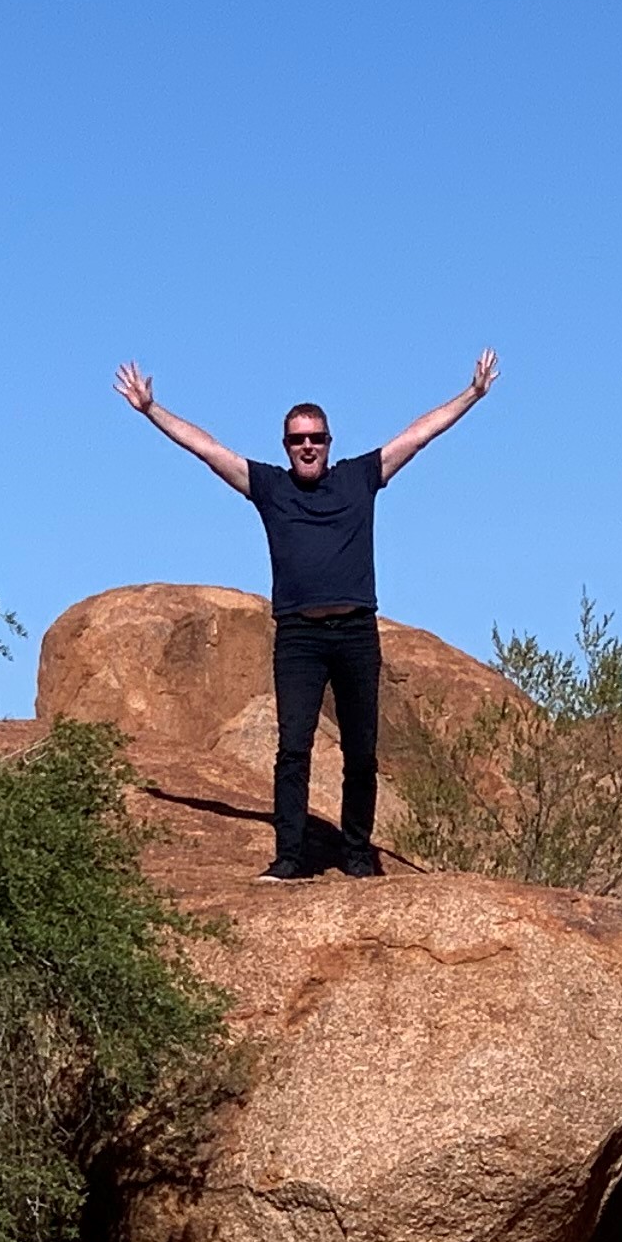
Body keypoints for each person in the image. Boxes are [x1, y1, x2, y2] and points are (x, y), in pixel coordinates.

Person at [112, 352, 499, 878]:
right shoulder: (271, 488)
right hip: (299, 637)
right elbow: (208, 450)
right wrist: (151, 410)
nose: (308, 446)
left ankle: (358, 856)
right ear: (286, 446)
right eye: (298, 440)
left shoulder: (359, 478)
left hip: (356, 632)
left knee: (362, 752)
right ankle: (289, 858)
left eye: (316, 437)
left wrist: (471, 395)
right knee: (293, 748)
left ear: (329, 442)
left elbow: (418, 436)